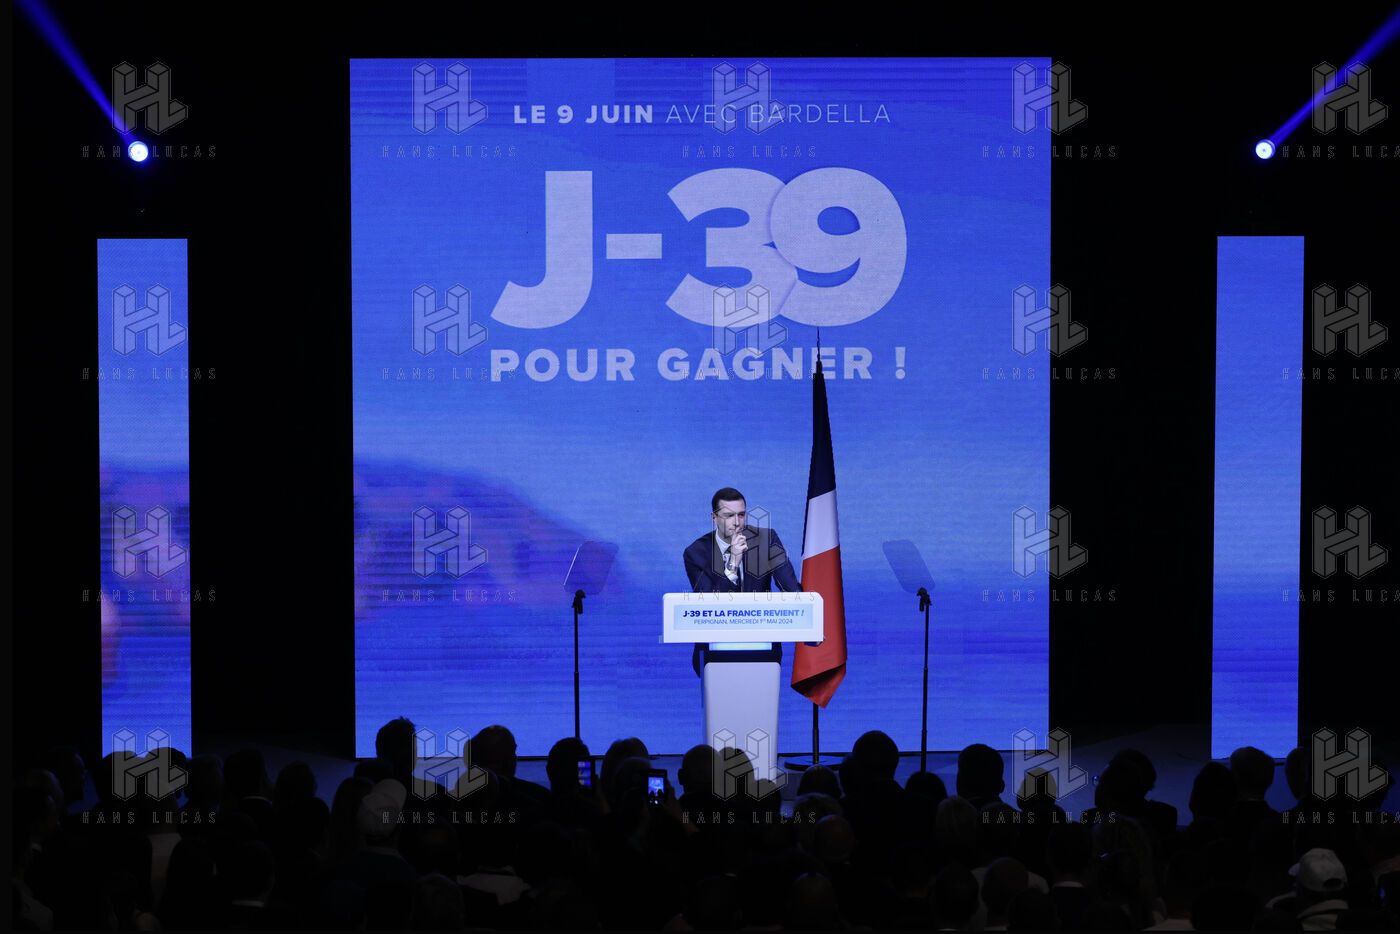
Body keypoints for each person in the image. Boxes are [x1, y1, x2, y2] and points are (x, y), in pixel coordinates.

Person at [683, 487, 801, 676]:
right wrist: (733, 563)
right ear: (714, 517)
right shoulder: (696, 553)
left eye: (741, 515)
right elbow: (708, 603)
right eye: (729, 516)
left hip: (763, 651)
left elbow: (791, 587)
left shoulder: (766, 539)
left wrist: (810, 623)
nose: (737, 522)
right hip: (715, 654)